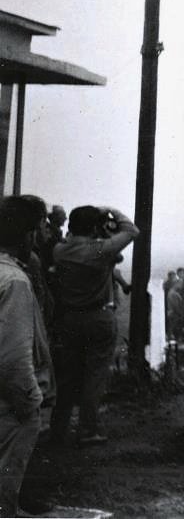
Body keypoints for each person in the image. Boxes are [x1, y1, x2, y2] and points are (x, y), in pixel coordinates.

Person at [50, 205, 139, 446]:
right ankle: (88, 430)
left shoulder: (59, 251)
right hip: (99, 317)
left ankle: (57, 429)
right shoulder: (102, 250)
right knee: (94, 376)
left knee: (67, 376)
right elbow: (131, 231)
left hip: (69, 318)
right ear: (93, 227)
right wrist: (111, 211)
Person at [0, 197, 53, 517]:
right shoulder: (15, 281)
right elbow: (13, 358)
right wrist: (31, 404)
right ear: (28, 235)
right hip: (9, 406)